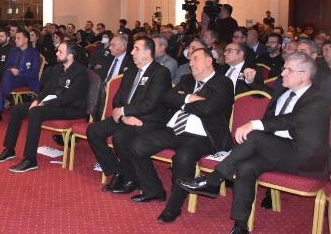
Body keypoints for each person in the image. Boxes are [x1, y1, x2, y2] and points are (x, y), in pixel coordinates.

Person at [177, 52, 330, 234]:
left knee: (256, 135)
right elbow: (262, 91)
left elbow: (291, 120)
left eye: (288, 70)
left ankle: (214, 179)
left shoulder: (318, 99)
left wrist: (254, 124)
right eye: (283, 69)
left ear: (303, 75)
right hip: (277, 151)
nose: (282, 73)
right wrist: (252, 81)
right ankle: (241, 226)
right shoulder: (284, 91)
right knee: (246, 167)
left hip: (304, 158)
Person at [125, 48, 234, 224]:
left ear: (209, 61)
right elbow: (167, 97)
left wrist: (182, 100)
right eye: (190, 60)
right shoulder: (187, 79)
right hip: (174, 129)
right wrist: (190, 98)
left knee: (183, 157)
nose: (190, 63)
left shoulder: (223, 83)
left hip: (203, 135)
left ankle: (174, 207)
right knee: (138, 145)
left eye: (195, 59)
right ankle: (153, 191)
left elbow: (209, 108)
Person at [87, 38, 171, 194]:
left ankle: (131, 178)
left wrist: (124, 111)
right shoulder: (131, 71)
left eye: (136, 49)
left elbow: (150, 103)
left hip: (148, 120)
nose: (132, 52)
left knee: (121, 137)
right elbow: (117, 99)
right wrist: (124, 116)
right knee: (93, 131)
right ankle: (119, 171)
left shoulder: (161, 73)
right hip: (126, 117)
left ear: (148, 52)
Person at [0, 41, 89, 173]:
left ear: (70, 56)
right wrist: (37, 100)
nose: (57, 53)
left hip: (71, 108)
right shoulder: (58, 68)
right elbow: (47, 89)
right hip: (54, 103)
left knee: (36, 112)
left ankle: (30, 159)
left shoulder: (80, 72)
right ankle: (9, 149)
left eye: (60, 52)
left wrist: (44, 103)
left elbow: (69, 97)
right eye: (58, 51)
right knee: (18, 109)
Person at [0, 29, 40, 123]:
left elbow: (34, 73)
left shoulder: (34, 53)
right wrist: (12, 69)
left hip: (27, 80)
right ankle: (2, 102)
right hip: (14, 78)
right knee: (7, 74)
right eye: (15, 38)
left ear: (26, 40)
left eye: (18, 38)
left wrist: (20, 73)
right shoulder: (14, 51)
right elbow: (8, 65)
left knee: (4, 83)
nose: (15, 40)